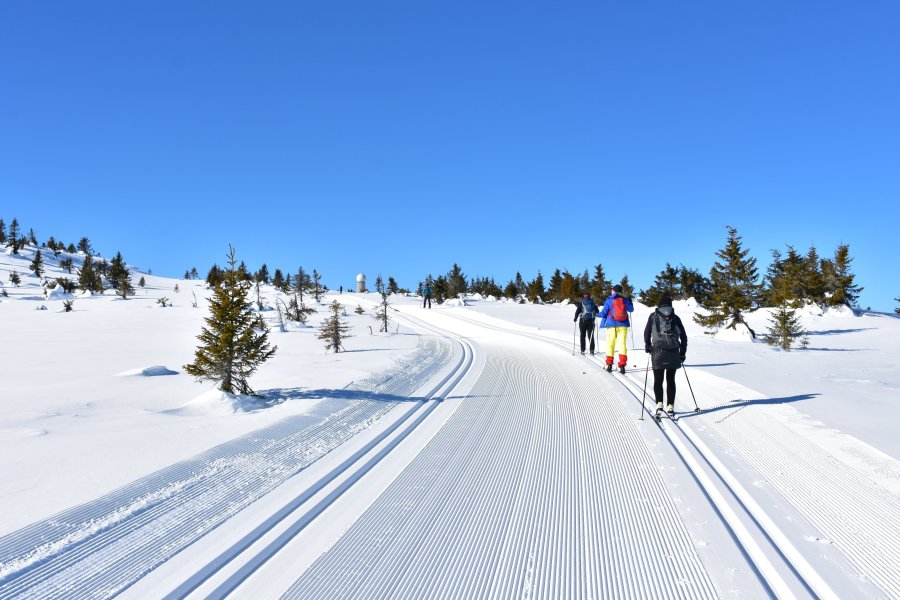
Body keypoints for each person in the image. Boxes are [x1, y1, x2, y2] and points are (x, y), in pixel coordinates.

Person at [643, 295, 688, 418]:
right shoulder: (675, 317)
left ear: (659, 304)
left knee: (658, 380)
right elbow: (683, 337)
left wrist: (647, 346)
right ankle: (671, 406)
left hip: (657, 352)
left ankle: (659, 404)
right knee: (671, 379)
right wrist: (682, 353)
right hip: (673, 352)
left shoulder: (653, 316)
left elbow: (647, 332)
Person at [599, 284, 634, 373]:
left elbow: (603, 313)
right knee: (622, 345)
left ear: (613, 290)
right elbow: (631, 310)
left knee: (610, 344)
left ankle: (609, 364)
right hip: (623, 325)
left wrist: (596, 314)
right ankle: (622, 366)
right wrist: (630, 302)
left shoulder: (609, 300)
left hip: (611, 325)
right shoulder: (625, 299)